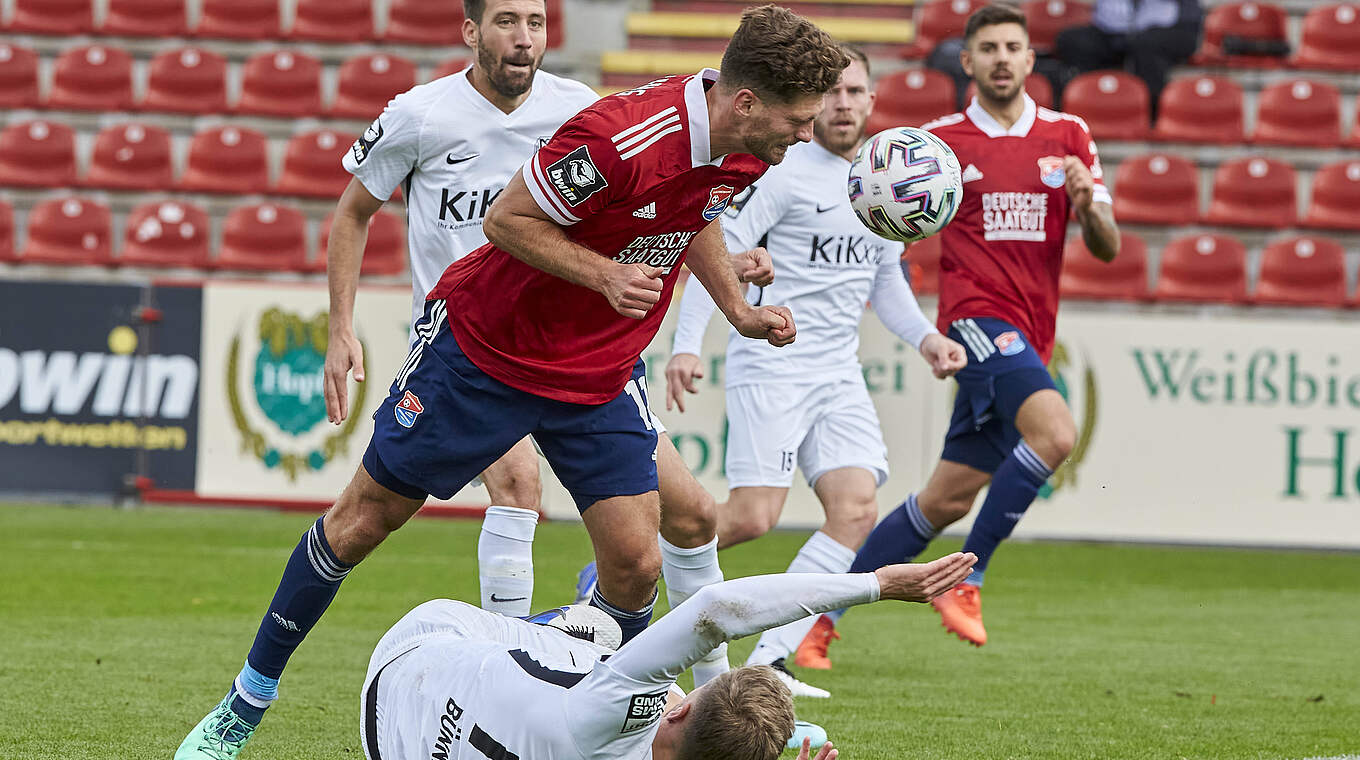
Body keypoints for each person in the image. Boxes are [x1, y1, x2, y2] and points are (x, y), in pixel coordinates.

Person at [174, 6, 849, 758]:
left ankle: (598, 715)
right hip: (485, 353)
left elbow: (699, 213)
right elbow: (506, 220)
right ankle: (246, 700)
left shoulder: (750, 144)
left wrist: (737, 310)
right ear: (747, 102)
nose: (805, 135)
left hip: (595, 370)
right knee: (364, 521)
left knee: (635, 565)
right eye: (798, 120)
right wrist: (603, 273)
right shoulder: (619, 137)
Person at [805, 3, 1119, 655]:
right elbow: (885, 208)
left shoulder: (1069, 137)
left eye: (1013, 47)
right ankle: (967, 578)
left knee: (942, 502)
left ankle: (817, 623)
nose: (1002, 58)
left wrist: (1089, 207)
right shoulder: (938, 145)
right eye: (989, 48)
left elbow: (1108, 247)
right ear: (968, 62)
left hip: (1028, 335)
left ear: (1031, 61)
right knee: (1057, 433)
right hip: (976, 322)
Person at [662, 47, 967, 696]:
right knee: (750, 520)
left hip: (837, 372)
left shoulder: (885, 177)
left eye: (856, 91)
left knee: (856, 511)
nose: (845, 103)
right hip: (773, 363)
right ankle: (629, 568)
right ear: (812, 103)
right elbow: (717, 250)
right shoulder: (786, 172)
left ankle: (767, 662)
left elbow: (884, 281)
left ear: (872, 100)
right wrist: (687, 345)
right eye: (832, 93)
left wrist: (927, 339)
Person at [322, 0, 598, 552]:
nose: (524, 38)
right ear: (471, 31)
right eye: (506, 21)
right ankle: (508, 639)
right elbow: (353, 213)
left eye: (536, 23)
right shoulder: (419, 114)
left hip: (556, 343)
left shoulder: (579, 110)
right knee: (517, 485)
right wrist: (340, 328)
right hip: (463, 343)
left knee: (676, 516)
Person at [360, 553, 977, 760]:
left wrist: (877, 584)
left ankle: (580, 621)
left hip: (413, 652)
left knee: (605, 633)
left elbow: (716, 609)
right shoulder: (649, 720)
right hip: (387, 747)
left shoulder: (611, 706)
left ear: (679, 717)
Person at [1055, 0, 1203, 115]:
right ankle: (1090, 104)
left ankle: (1151, 111)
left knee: (1147, 46)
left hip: (1167, 27)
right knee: (1073, 40)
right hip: (1114, 28)